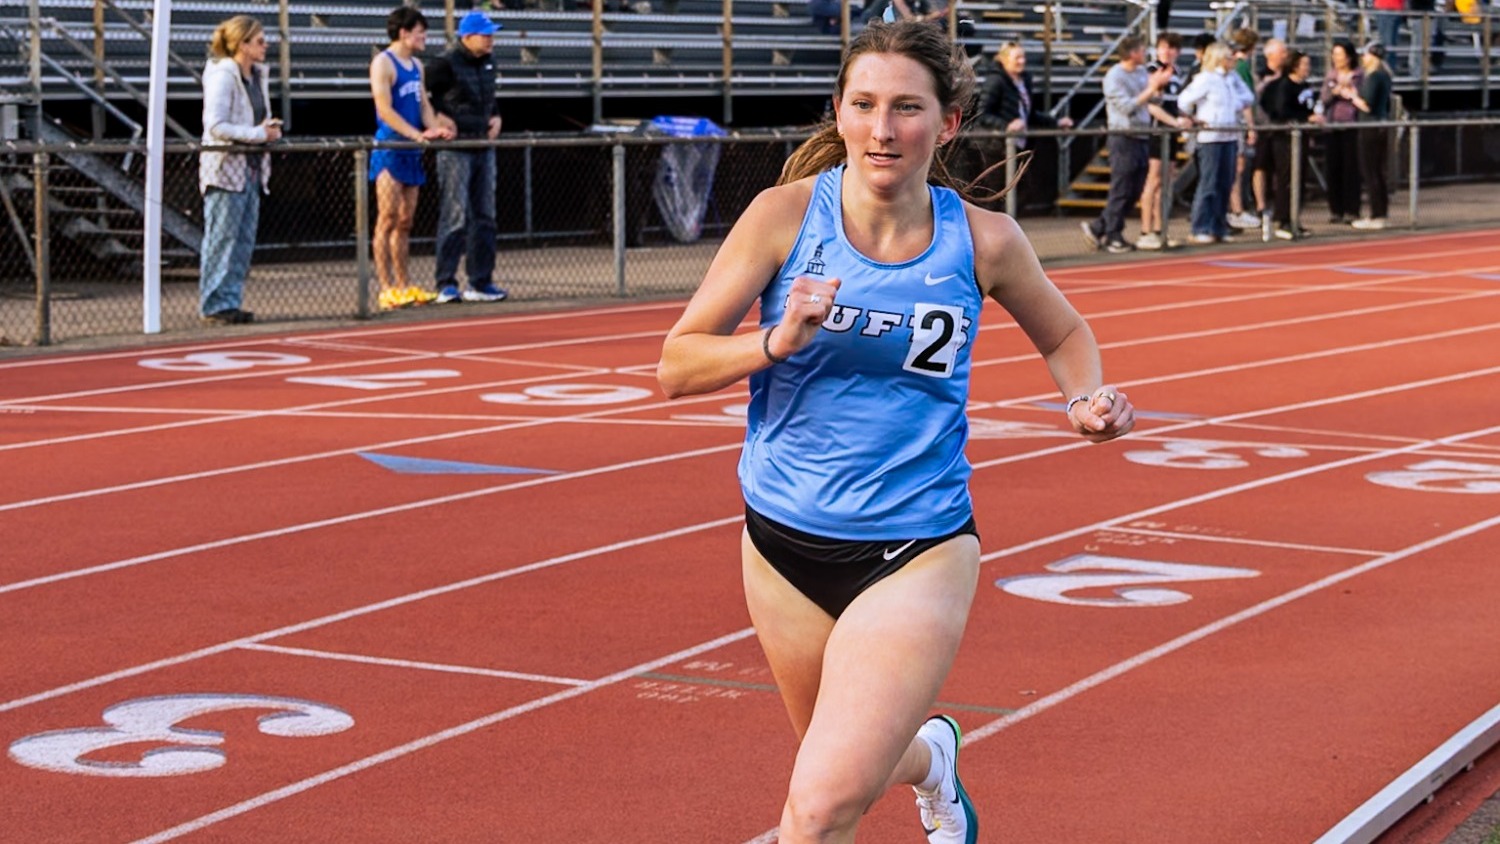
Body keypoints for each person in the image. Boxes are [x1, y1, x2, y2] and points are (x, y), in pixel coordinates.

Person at [657, 21, 1135, 844]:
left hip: (917, 546)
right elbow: (677, 364)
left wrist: (1085, 400)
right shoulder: (782, 217)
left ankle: (913, 765)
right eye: (865, 104)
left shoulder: (983, 239)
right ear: (839, 111)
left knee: (817, 808)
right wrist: (773, 341)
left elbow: (1063, 334)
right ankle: (933, 760)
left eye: (907, 108)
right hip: (782, 544)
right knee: (844, 776)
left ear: (948, 123)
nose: (882, 129)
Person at [369, 6, 454, 312]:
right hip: (391, 148)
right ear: (404, 33)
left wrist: (434, 128)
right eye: (420, 32)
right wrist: (415, 134)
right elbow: (385, 109)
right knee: (387, 218)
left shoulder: (417, 65)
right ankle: (386, 287)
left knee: (406, 221)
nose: (424, 38)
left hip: (412, 151)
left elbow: (423, 105)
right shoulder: (383, 63)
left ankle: (404, 284)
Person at [198, 15, 280, 326]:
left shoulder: (257, 76)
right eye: (259, 41)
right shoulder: (224, 76)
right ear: (242, 44)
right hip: (226, 169)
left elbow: (252, 116)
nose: (265, 46)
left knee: (243, 239)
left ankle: (230, 299)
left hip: (252, 168)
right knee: (222, 238)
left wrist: (267, 130)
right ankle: (214, 303)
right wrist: (258, 134)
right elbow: (216, 125)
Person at [426, 10, 510, 304]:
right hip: (456, 147)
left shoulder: (489, 62)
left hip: (482, 145)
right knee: (455, 215)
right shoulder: (445, 63)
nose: (490, 40)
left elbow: (489, 97)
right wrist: (436, 117)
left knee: (485, 216)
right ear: (468, 37)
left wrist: (496, 116)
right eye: (485, 35)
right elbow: (422, 94)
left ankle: (481, 281)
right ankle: (445, 282)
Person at [1081, 35, 1184, 254]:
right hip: (1123, 136)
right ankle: (1112, 233)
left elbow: (1153, 101)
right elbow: (1126, 106)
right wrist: (1151, 88)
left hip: (1141, 135)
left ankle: (1099, 227)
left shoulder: (1141, 73)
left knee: (1136, 188)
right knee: (1122, 187)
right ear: (1132, 53)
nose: (1145, 53)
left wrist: (1158, 87)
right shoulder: (1114, 76)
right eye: (1141, 50)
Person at [973, 41, 1074, 211]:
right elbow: (982, 114)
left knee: (1023, 188)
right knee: (995, 192)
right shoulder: (995, 80)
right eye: (1017, 57)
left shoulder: (1024, 80)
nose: (1022, 61)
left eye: (1023, 57)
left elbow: (1029, 113)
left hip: (1017, 145)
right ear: (1004, 59)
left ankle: (1005, 221)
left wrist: (1056, 122)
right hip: (995, 146)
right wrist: (1006, 125)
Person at [1177, 40, 1255, 244]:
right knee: (1209, 183)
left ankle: (1218, 226)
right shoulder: (1206, 79)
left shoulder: (1232, 78)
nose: (1233, 60)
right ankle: (1200, 227)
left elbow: (1248, 97)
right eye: (1229, 57)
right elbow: (1184, 100)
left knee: (1225, 182)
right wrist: (1195, 118)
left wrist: (1234, 104)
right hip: (1210, 138)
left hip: (1229, 135)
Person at [1258, 49, 1322, 239]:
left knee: (1299, 178)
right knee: (1286, 178)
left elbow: (1309, 105)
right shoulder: (1284, 86)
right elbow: (1280, 110)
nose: (1307, 68)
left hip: (1301, 137)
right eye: (1304, 64)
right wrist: (1305, 118)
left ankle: (1295, 218)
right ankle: (1283, 219)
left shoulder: (1305, 86)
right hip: (1285, 138)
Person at [1137, 31, 1185, 251]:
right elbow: (1152, 106)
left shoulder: (1177, 73)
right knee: (1154, 179)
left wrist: (1186, 118)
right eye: (1164, 47)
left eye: (1172, 48)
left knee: (1166, 181)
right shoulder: (1152, 70)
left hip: (1172, 133)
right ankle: (1145, 230)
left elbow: (1176, 104)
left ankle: (1160, 229)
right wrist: (1173, 122)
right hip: (1158, 133)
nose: (1167, 52)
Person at [1351, 42, 1395, 229]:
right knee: (1377, 170)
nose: (1363, 58)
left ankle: (1377, 214)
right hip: (1380, 125)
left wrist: (1351, 95)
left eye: (1366, 55)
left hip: (1371, 126)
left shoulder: (1375, 76)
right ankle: (1381, 212)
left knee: (1371, 171)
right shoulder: (1385, 76)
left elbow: (1366, 105)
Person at [1320, 39, 1364, 224]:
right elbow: (1323, 97)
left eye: (1340, 54)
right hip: (1332, 126)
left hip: (1351, 126)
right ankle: (1335, 209)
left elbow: (1362, 96)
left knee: (1350, 167)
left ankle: (1352, 209)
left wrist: (1350, 92)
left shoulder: (1359, 75)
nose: (1336, 58)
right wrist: (1335, 92)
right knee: (1333, 167)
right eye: (1334, 54)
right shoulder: (1331, 76)